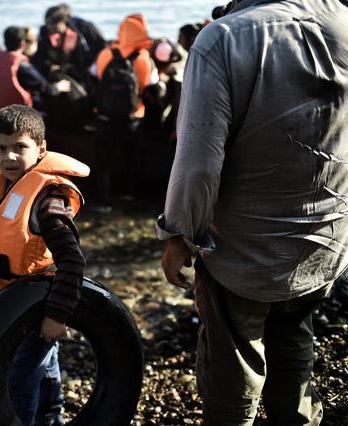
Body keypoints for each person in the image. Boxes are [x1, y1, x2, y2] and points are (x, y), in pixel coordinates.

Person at [157, 1, 348, 424]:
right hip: (325, 243)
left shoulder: (222, 39)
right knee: (294, 342)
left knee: (232, 377)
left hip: (241, 253)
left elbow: (198, 162)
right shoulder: (342, 21)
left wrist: (178, 235)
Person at [0, 104, 89, 424]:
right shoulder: (5, 182)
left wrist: (56, 316)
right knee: (46, 373)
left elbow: (72, 260)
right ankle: (50, 419)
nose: (9, 157)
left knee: (19, 385)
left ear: (41, 150)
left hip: (36, 307)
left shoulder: (48, 200)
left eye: (19, 148)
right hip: (12, 304)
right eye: (1, 148)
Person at [91, 13, 154, 207]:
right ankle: (129, 195)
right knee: (132, 157)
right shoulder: (143, 58)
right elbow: (145, 86)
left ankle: (103, 201)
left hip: (105, 116)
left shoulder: (105, 54)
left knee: (103, 161)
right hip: (132, 116)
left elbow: (96, 77)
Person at [0, 26, 71, 117]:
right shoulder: (22, 66)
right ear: (22, 44)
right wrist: (59, 87)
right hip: (13, 119)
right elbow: (47, 90)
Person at [32, 4, 105, 86]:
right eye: (47, 24)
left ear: (63, 22)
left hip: (80, 68)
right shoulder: (44, 34)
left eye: (53, 24)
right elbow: (40, 57)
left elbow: (100, 46)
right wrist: (50, 66)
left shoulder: (82, 29)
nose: (49, 27)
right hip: (56, 72)